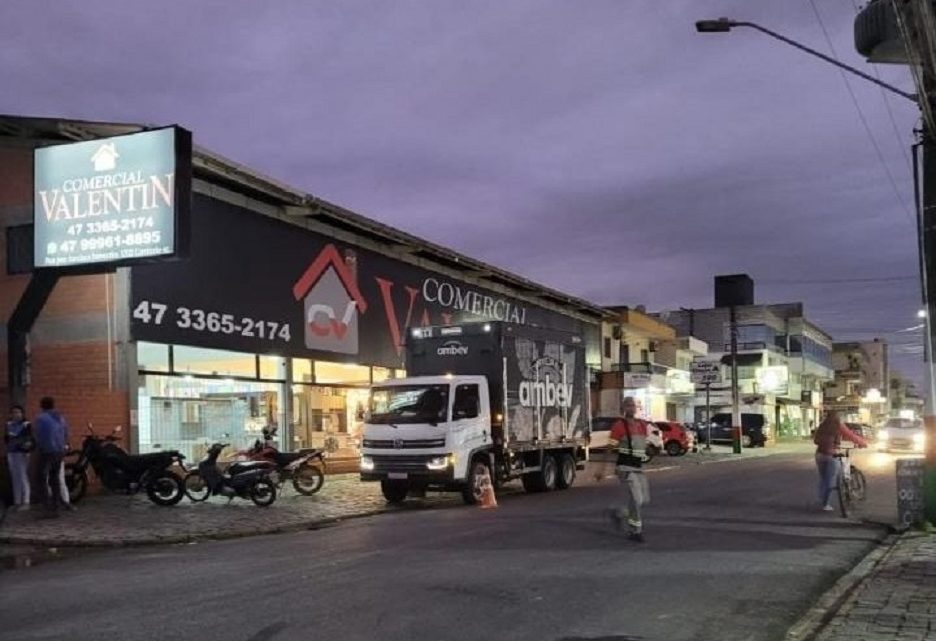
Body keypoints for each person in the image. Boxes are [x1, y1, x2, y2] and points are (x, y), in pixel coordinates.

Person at [599, 396, 651, 542]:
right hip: (625, 467)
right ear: (623, 408)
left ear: (637, 408)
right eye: (628, 405)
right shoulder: (619, 426)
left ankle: (620, 513)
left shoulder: (642, 425)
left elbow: (642, 447)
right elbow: (609, 448)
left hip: (639, 467)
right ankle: (635, 532)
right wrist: (601, 469)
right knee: (636, 499)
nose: (631, 408)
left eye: (633, 405)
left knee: (643, 500)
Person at [813, 410, 867, 511]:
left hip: (819, 455)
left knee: (823, 478)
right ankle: (826, 504)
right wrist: (862, 443)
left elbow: (816, 440)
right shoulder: (838, 425)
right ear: (837, 417)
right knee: (831, 479)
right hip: (831, 455)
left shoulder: (822, 425)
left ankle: (821, 498)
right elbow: (851, 436)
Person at [33, 397, 69, 516]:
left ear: (41, 405)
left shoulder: (41, 418)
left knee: (40, 479)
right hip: (59, 451)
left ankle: (47, 508)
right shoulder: (60, 417)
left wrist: (39, 448)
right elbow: (66, 432)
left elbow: (39, 436)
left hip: (46, 452)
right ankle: (56, 506)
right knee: (55, 479)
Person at [5, 404, 34, 511]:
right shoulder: (8, 424)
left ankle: (26, 501)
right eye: (14, 412)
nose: (16, 414)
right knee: (15, 477)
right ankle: (17, 501)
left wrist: (24, 446)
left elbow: (29, 439)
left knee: (22, 476)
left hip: (22, 453)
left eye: (18, 412)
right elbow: (6, 439)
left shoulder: (26, 425)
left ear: (22, 414)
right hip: (11, 453)